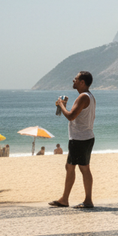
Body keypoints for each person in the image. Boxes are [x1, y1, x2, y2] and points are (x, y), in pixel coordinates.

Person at [49, 71, 96, 209]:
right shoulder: (90, 96)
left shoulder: (83, 97)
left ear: (82, 82)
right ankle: (79, 199)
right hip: (86, 137)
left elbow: (71, 116)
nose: (73, 81)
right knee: (80, 167)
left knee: (75, 167)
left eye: (75, 79)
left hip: (79, 138)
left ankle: (70, 200)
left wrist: (61, 104)